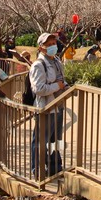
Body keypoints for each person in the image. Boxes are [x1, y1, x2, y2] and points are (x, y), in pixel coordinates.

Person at [29, 32, 68, 177]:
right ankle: (37, 169)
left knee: (55, 139)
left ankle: (55, 167)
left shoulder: (56, 61)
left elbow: (61, 79)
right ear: (41, 47)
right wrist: (57, 86)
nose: (53, 46)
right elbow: (38, 88)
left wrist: (65, 86)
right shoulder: (38, 65)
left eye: (54, 43)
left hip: (58, 105)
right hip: (46, 108)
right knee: (41, 140)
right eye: (49, 44)